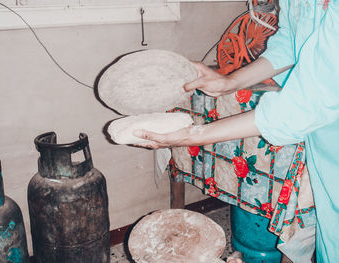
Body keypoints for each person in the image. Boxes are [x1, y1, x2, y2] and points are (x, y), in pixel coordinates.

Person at [134, 0, 339, 262]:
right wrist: (229, 82)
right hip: (324, 141)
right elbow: (290, 42)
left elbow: (299, 109)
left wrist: (191, 135)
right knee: (331, 233)